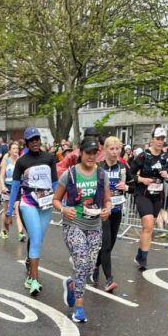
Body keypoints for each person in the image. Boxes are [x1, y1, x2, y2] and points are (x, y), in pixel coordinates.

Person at [53, 136, 111, 324]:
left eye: (95, 153)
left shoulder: (102, 175)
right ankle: (79, 307)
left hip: (94, 227)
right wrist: (63, 209)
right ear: (81, 153)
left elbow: (107, 200)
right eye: (88, 153)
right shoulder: (69, 174)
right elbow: (56, 200)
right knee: (81, 261)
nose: (92, 156)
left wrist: (107, 209)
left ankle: (72, 285)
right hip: (74, 225)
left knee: (88, 267)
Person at [7, 127, 59, 296]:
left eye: (37, 139)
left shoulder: (50, 158)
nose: (35, 142)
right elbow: (15, 188)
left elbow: (55, 184)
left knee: (38, 240)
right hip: (28, 202)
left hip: (46, 204)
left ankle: (30, 272)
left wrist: (62, 203)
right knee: (35, 238)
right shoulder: (22, 162)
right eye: (32, 140)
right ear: (27, 143)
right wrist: (9, 212)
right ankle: (35, 279)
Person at [131, 126, 168, 271]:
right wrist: (142, 179)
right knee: (148, 225)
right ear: (152, 139)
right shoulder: (143, 156)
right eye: (157, 139)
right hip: (143, 194)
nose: (160, 142)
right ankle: (143, 259)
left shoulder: (167, 158)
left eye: (162, 139)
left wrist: (167, 176)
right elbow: (130, 174)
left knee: (149, 228)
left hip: (158, 195)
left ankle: (139, 254)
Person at [93, 136, 127, 291]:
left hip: (117, 210)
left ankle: (95, 265)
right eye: (111, 149)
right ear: (105, 150)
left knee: (111, 243)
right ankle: (109, 279)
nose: (114, 152)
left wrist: (125, 187)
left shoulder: (123, 167)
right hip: (104, 211)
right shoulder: (98, 167)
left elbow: (134, 186)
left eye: (117, 149)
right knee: (106, 243)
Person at [0, 141, 24, 240]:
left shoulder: (20, 161)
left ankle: (21, 233)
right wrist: (3, 186)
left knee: (17, 210)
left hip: (17, 187)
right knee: (5, 210)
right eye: (13, 148)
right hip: (7, 188)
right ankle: (3, 230)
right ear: (9, 150)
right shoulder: (6, 160)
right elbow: (1, 176)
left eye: (17, 148)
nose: (16, 150)